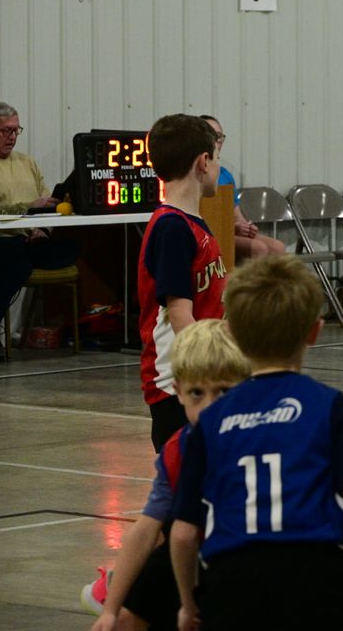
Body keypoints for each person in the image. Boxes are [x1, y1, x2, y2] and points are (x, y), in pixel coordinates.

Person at [171, 255, 343, 631]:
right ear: (315, 331)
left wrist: (188, 604)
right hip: (317, 578)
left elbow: (183, 533)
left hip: (234, 583)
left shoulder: (210, 422)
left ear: (232, 334)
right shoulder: (334, 408)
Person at [83, 319, 252, 630]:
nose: (209, 406)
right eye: (197, 393)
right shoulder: (177, 450)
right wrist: (111, 610)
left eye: (224, 392)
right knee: (122, 621)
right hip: (191, 555)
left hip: (246, 561)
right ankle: (114, 594)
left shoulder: (261, 439)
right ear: (178, 392)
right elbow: (146, 529)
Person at [138, 114, 228, 452]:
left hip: (200, 381)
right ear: (203, 162)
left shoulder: (191, 222)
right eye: (216, 158)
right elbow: (179, 314)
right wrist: (216, 365)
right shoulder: (172, 228)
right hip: (179, 388)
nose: (219, 166)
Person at [0, 101, 79, 360]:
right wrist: (27, 209)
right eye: (6, 130)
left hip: (25, 240)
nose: (12, 136)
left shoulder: (27, 163)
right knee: (17, 259)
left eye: (16, 130)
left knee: (70, 249)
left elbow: (45, 201)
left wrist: (41, 227)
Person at [200, 115, 286, 261]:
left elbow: (236, 214)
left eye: (219, 136)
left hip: (228, 230)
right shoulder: (197, 174)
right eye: (212, 135)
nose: (217, 141)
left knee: (278, 247)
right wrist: (232, 228)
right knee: (258, 248)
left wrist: (247, 227)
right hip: (209, 233)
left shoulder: (225, 175)